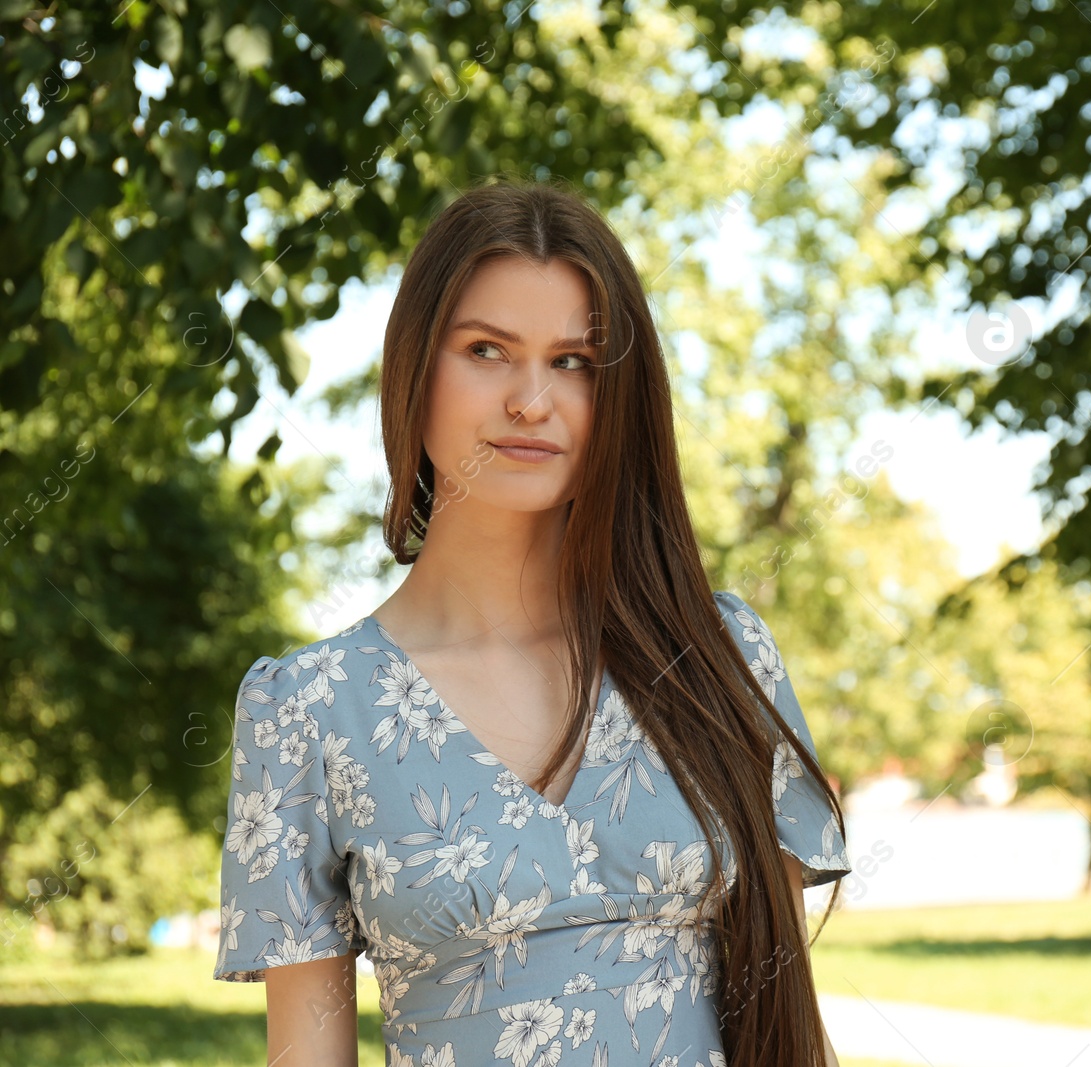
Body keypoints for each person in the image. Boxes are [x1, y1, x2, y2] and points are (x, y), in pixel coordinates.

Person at [213, 177, 853, 1067]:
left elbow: (784, 1022)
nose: (530, 400)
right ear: (415, 367)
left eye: (575, 362)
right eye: (487, 349)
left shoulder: (719, 657)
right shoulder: (309, 710)